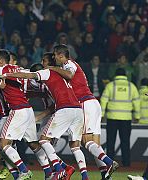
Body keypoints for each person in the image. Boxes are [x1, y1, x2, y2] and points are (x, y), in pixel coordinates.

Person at [4, 62, 89, 180]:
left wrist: (7, 74)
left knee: (44, 141)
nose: (44, 63)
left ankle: (59, 170)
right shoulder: (57, 79)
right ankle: (77, 174)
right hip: (75, 110)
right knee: (72, 146)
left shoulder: (47, 78)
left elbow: (29, 76)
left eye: (44, 60)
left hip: (61, 112)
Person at [50, 44, 118, 179]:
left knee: (85, 141)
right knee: (94, 144)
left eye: (55, 55)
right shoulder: (67, 65)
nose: (54, 58)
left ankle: (109, 162)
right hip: (92, 103)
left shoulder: (69, 64)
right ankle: (106, 174)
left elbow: (69, 74)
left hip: (85, 103)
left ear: (61, 56)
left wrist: (52, 68)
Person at [101, 68, 140, 167]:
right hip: (126, 119)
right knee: (125, 142)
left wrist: (101, 115)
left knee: (111, 142)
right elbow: (136, 101)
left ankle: (110, 163)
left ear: (116, 75)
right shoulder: (132, 86)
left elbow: (104, 100)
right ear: (125, 75)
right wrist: (137, 116)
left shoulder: (111, 85)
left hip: (112, 118)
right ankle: (126, 163)